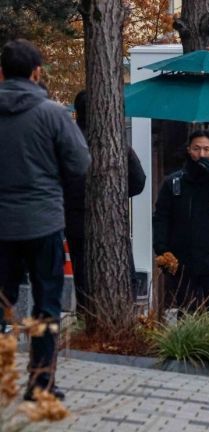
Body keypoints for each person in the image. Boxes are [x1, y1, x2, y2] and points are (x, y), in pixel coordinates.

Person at [0, 39, 90, 401]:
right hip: (44, 222)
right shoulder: (52, 114)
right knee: (46, 304)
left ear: (2, 71)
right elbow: (80, 163)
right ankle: (40, 383)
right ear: (37, 72)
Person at [64, 89, 146, 317]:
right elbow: (139, 181)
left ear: (77, 113)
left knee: (83, 277)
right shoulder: (116, 143)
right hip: (112, 219)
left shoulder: (66, 145)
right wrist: (116, 195)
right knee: (118, 272)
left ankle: (86, 319)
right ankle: (119, 318)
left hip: (75, 220)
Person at [153, 130, 209, 315]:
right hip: (183, 263)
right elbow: (161, 217)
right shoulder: (174, 183)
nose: (201, 155)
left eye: (206, 149)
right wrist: (162, 249)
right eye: (196, 149)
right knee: (187, 315)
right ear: (188, 150)